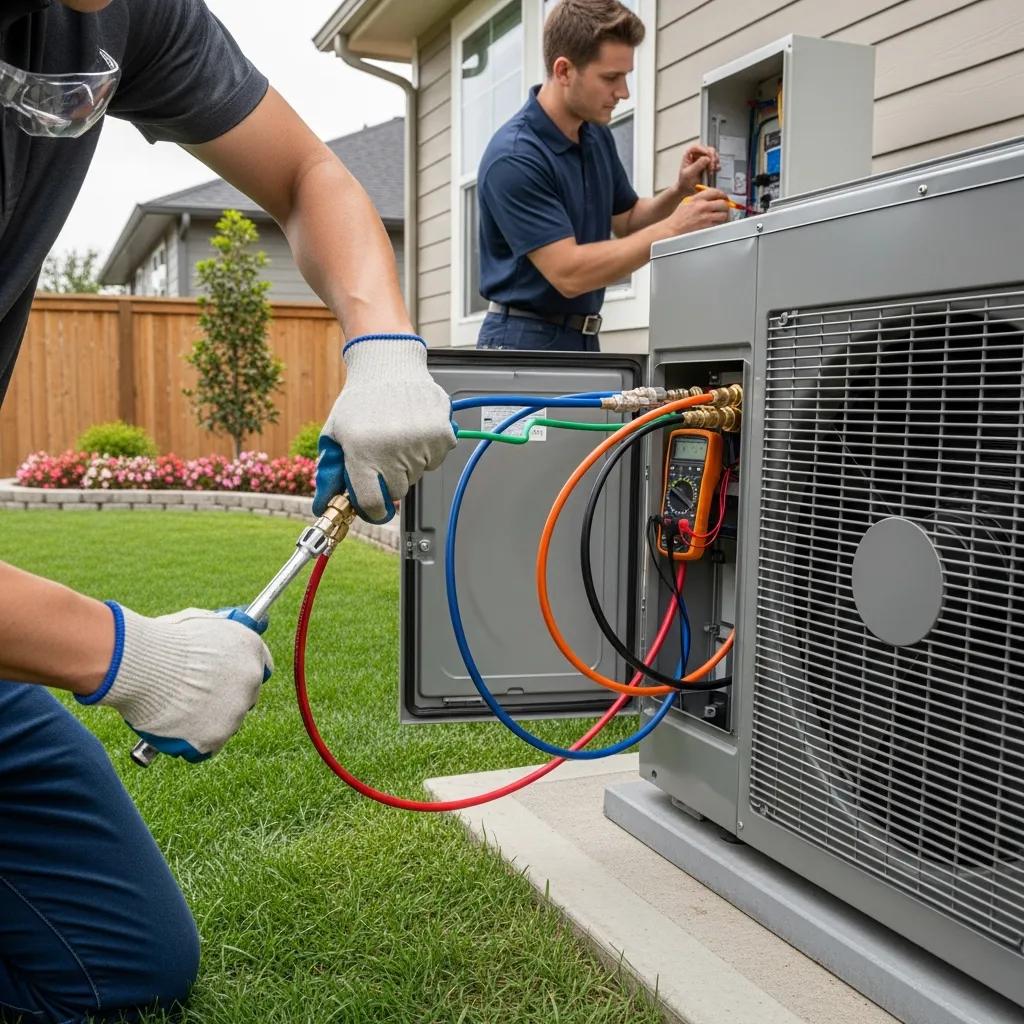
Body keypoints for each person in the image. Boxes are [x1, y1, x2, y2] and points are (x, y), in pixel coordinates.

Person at [0, 2, 455, 1021]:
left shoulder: (124, 16)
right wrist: (128, 654)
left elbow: (307, 174)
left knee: (123, 959)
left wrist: (384, 344)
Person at [476, 0, 730, 353]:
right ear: (564, 71)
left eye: (626, 76)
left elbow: (627, 220)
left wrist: (678, 191)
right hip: (522, 339)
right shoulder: (516, 156)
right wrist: (673, 228)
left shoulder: (594, 135)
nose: (624, 92)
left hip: (583, 337)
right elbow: (568, 273)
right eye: (611, 78)